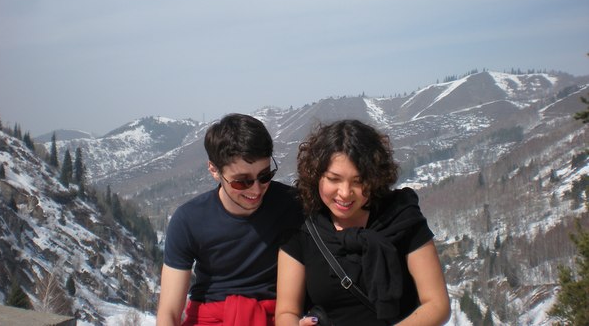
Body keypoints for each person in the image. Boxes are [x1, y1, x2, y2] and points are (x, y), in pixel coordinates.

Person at [275, 120, 450, 326]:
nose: (345, 193)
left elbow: (437, 305)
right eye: (334, 179)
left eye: (358, 181)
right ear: (316, 175)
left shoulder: (400, 218)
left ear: (374, 178)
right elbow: (287, 311)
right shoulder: (302, 228)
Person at [157, 113, 304, 326]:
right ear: (214, 170)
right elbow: (169, 312)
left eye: (265, 176)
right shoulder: (188, 221)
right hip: (210, 318)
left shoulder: (292, 205)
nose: (256, 190)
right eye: (242, 182)